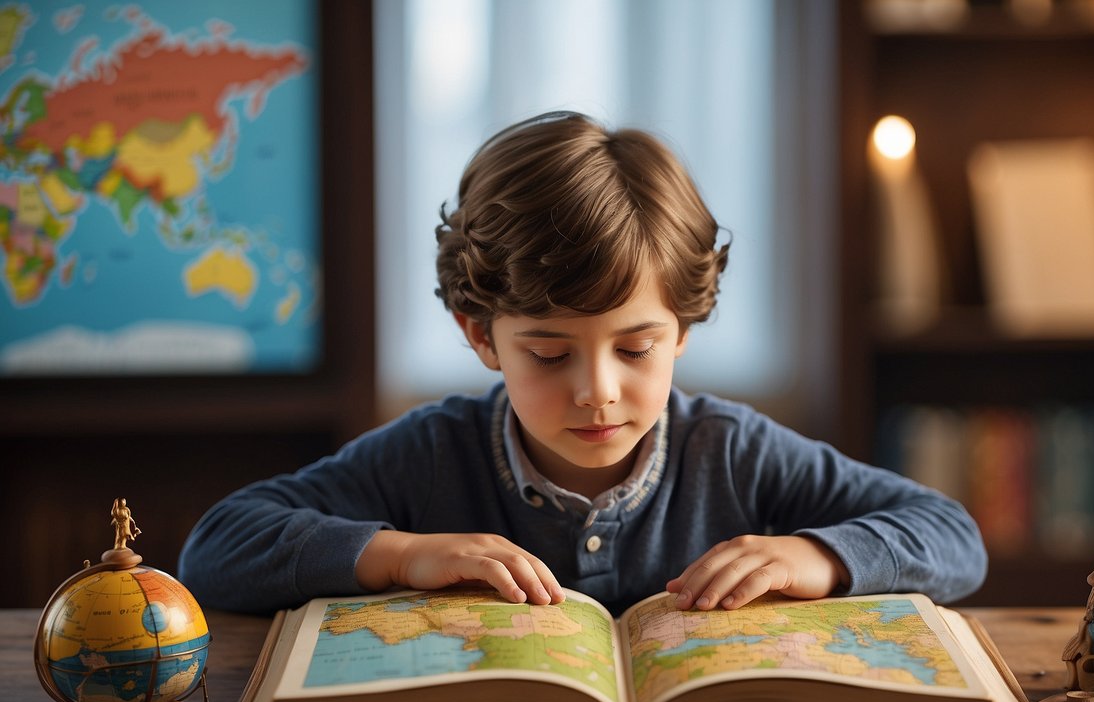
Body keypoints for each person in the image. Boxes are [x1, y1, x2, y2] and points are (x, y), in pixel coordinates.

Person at [178, 111, 987, 616]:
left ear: (682, 333)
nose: (597, 391)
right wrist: (402, 555)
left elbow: (952, 536)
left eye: (635, 348)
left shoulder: (732, 452)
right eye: (548, 352)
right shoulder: (431, 454)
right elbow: (215, 548)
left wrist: (818, 556)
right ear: (479, 335)